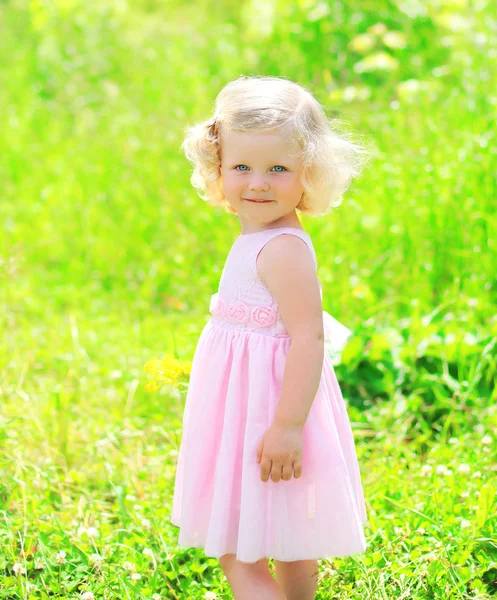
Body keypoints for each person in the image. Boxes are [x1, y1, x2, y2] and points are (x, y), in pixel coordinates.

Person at [171, 75, 371, 600]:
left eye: (278, 169)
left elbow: (309, 338)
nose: (258, 183)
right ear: (219, 168)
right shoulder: (259, 234)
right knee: (288, 529)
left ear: (309, 174)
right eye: (242, 167)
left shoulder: (282, 248)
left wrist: (286, 427)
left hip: (266, 409)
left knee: (235, 549)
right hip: (248, 402)